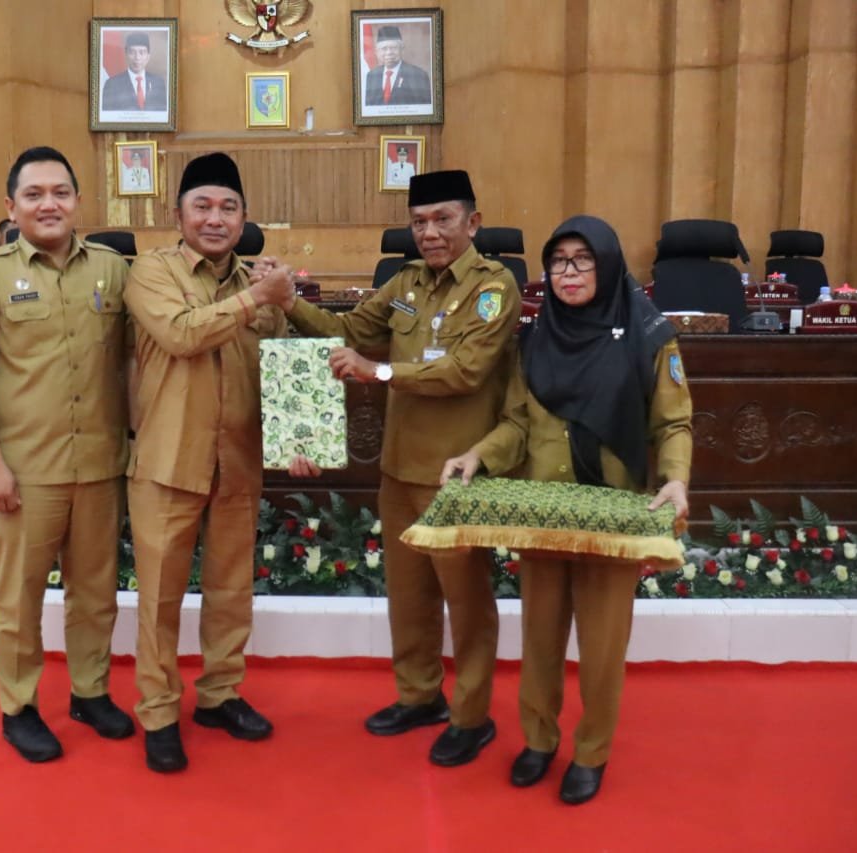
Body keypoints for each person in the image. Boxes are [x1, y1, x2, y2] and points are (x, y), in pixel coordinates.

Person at [440, 215, 692, 804]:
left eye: (583, 260)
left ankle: (592, 751)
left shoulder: (651, 336)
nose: (569, 272)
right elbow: (518, 424)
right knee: (541, 638)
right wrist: (479, 455)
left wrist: (676, 479)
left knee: (602, 647)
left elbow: (673, 422)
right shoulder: (535, 338)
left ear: (606, 265)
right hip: (544, 515)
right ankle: (538, 739)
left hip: (611, 519)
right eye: (558, 261)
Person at [284, 171, 520, 768]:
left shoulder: (493, 288)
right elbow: (346, 333)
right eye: (419, 222)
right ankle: (419, 697)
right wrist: (289, 302)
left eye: (443, 219)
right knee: (408, 597)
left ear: (473, 223)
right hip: (399, 469)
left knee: (467, 605)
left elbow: (466, 369)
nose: (430, 232)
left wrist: (380, 372)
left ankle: (471, 716)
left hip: (457, 473)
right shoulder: (403, 283)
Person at [0, 146, 135, 764]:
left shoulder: (112, 270)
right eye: (34, 194)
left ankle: (90, 692)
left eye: (59, 192)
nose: (48, 204)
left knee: (96, 592)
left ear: (77, 201)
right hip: (26, 471)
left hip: (100, 464)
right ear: (12, 206)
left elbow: (132, 360)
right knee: (18, 597)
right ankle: (18, 707)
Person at [123, 152, 295, 773]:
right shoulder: (151, 271)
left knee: (231, 591)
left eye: (228, 207)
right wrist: (259, 298)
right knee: (161, 598)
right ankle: (160, 711)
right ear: (179, 214)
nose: (215, 219)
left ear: (244, 216)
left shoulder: (258, 278)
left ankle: (220, 695)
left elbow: (281, 366)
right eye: (203, 206)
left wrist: (285, 300)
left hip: (238, 461)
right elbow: (182, 334)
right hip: (169, 462)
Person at [364, 26, 433, 107]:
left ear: (402, 50)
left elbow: (425, 108)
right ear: (377, 52)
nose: (389, 52)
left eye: (393, 48)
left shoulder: (418, 75)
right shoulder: (372, 75)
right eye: (384, 48)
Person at [101, 32, 168, 112]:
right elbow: (107, 116)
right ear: (125, 54)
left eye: (142, 52)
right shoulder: (112, 84)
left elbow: (162, 114)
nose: (137, 57)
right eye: (132, 52)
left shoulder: (158, 83)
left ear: (148, 56)